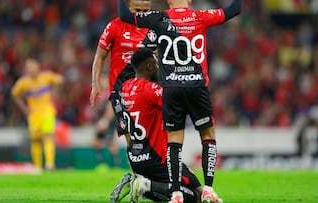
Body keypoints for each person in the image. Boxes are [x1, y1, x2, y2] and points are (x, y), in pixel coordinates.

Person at [118, 0, 243, 202]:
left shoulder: (159, 18)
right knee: (208, 137)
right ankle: (209, 189)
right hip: (196, 85)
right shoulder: (200, 16)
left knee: (174, 141)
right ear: (190, 0)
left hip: (171, 88)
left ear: (168, 1)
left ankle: (175, 192)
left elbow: (125, 15)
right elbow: (234, 10)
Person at [112, 48, 202, 203]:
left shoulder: (125, 87)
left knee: (191, 187)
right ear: (149, 67)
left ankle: (136, 182)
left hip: (136, 159)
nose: (159, 67)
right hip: (159, 159)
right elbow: (177, 103)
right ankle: (145, 186)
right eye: (157, 64)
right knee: (196, 196)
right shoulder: (151, 90)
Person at [89, 0, 157, 168]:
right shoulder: (115, 26)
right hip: (121, 92)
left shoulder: (155, 28)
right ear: (128, 8)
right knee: (131, 137)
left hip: (148, 91)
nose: (140, 14)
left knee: (152, 136)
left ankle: (153, 176)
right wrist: (95, 83)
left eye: (145, 10)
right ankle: (140, 176)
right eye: (137, 10)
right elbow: (100, 57)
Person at [11, 58, 64, 171]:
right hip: (34, 115)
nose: (29, 69)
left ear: (37, 66)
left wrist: (55, 93)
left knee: (48, 135)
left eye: (31, 66)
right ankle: (38, 167)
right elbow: (14, 94)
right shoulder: (23, 82)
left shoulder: (46, 76)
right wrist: (24, 108)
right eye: (27, 67)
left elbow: (60, 80)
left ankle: (50, 164)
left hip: (47, 112)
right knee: (35, 139)